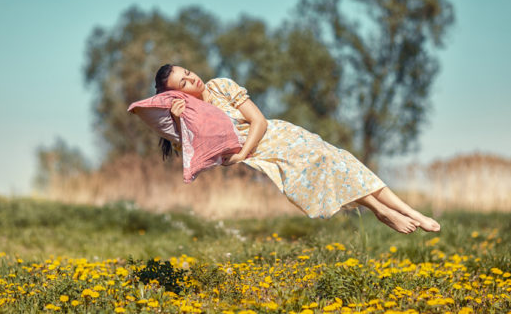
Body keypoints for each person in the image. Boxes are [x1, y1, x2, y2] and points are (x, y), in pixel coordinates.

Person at [154, 64, 440, 234]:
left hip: (276, 135)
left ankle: (406, 212)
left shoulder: (221, 86)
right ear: (177, 93)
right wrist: (179, 121)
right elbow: (194, 150)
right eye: (184, 82)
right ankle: (382, 210)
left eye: (189, 73)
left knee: (340, 159)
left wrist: (242, 153)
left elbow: (259, 121)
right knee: (329, 166)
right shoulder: (194, 114)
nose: (193, 79)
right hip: (264, 156)